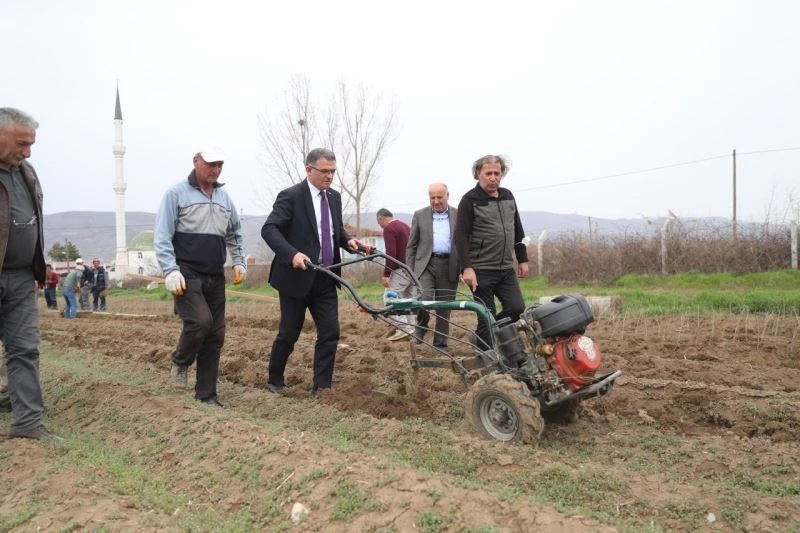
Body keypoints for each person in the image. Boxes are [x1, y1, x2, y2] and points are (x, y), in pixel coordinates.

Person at [262, 148, 361, 395]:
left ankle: (322, 387)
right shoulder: (291, 196)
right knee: (289, 332)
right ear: (309, 169)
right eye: (324, 171)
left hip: (325, 276)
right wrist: (292, 254)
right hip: (296, 277)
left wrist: (348, 241)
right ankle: (275, 379)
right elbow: (270, 229)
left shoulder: (334, 198)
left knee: (330, 332)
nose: (329, 176)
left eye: (333, 172)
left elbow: (333, 231)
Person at [154, 147, 247, 408]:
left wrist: (238, 261)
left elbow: (234, 234)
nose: (215, 170)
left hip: (215, 273)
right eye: (210, 164)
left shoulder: (224, 198)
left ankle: (207, 395)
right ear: (196, 161)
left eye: (220, 165)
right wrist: (170, 269)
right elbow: (162, 235)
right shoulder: (176, 193)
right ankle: (181, 361)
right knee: (200, 323)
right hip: (186, 273)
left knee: (216, 334)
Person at [0, 107, 61, 440]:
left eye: (31, 145)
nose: (27, 152)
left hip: (22, 276)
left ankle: (26, 423)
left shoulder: (26, 171)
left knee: (24, 348)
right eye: (22, 144)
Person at [455, 155, 529, 350]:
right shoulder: (469, 200)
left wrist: (522, 259)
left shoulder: (508, 196)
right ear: (478, 174)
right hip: (480, 270)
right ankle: (488, 357)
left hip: (505, 268)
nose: (493, 177)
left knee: (517, 308)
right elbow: (460, 237)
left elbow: (517, 230)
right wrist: (467, 268)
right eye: (489, 173)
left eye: (497, 173)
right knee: (486, 316)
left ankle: (482, 337)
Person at [406, 183, 460, 348]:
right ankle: (421, 326)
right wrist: (410, 270)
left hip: (449, 265)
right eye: (432, 198)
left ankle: (440, 342)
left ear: (447, 196)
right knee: (424, 299)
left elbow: (465, 243)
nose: (436, 201)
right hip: (425, 265)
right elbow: (412, 245)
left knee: (445, 306)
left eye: (440, 197)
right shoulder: (420, 215)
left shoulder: (459, 215)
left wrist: (465, 267)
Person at [376, 208, 414, 341]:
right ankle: (412, 328)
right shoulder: (404, 226)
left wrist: (386, 273)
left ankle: (404, 327)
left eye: (379, 222)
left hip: (400, 269)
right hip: (412, 269)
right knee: (407, 299)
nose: (380, 226)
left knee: (389, 299)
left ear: (381, 218)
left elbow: (391, 252)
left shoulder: (389, 228)